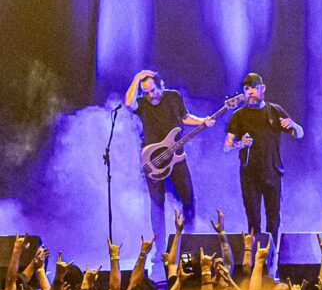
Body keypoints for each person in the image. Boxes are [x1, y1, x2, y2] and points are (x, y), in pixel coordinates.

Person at [124, 69, 215, 259]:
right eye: (146, 92)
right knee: (157, 206)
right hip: (153, 161)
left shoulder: (173, 97)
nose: (151, 95)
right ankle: (160, 250)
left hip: (177, 159)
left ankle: (188, 243)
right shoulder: (142, 103)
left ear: (161, 85)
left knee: (188, 200)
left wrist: (202, 121)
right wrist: (137, 78)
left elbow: (184, 118)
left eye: (153, 90)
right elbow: (128, 103)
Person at [223, 72, 303, 243]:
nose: (250, 92)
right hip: (249, 175)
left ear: (263, 88)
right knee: (253, 220)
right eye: (246, 89)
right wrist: (240, 144)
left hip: (272, 171)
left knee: (273, 218)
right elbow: (227, 146)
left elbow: (299, 134)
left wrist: (294, 125)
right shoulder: (238, 116)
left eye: (253, 88)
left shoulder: (274, 111)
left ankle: (272, 254)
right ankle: (254, 254)